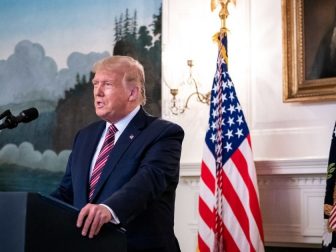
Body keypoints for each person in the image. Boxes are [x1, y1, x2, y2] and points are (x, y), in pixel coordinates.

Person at [51, 55, 184, 252]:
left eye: (107, 84)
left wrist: (108, 209)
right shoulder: (85, 136)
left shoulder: (163, 133)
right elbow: (66, 191)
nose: (98, 92)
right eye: (95, 84)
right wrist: (29, 209)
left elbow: (148, 181)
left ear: (132, 93)